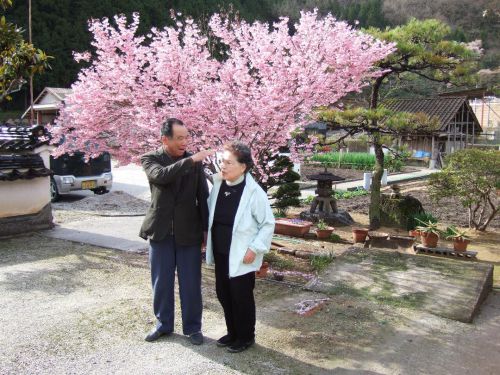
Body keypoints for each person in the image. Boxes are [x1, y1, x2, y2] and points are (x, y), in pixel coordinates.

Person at [140, 118, 213, 345]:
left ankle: (193, 328)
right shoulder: (151, 159)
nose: (184, 142)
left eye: (186, 137)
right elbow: (161, 177)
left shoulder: (195, 163)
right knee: (161, 282)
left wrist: (205, 230)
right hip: (160, 231)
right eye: (179, 138)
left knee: (191, 282)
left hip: (188, 232)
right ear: (165, 139)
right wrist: (190, 160)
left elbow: (202, 196)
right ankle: (163, 324)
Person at [205, 141, 275, 353]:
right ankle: (233, 332)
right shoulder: (218, 185)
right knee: (223, 293)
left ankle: (245, 337)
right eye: (221, 162)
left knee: (241, 296)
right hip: (221, 251)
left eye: (228, 163)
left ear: (243, 166)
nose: (223, 167)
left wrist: (254, 248)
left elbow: (268, 224)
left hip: (243, 254)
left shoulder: (254, 192)